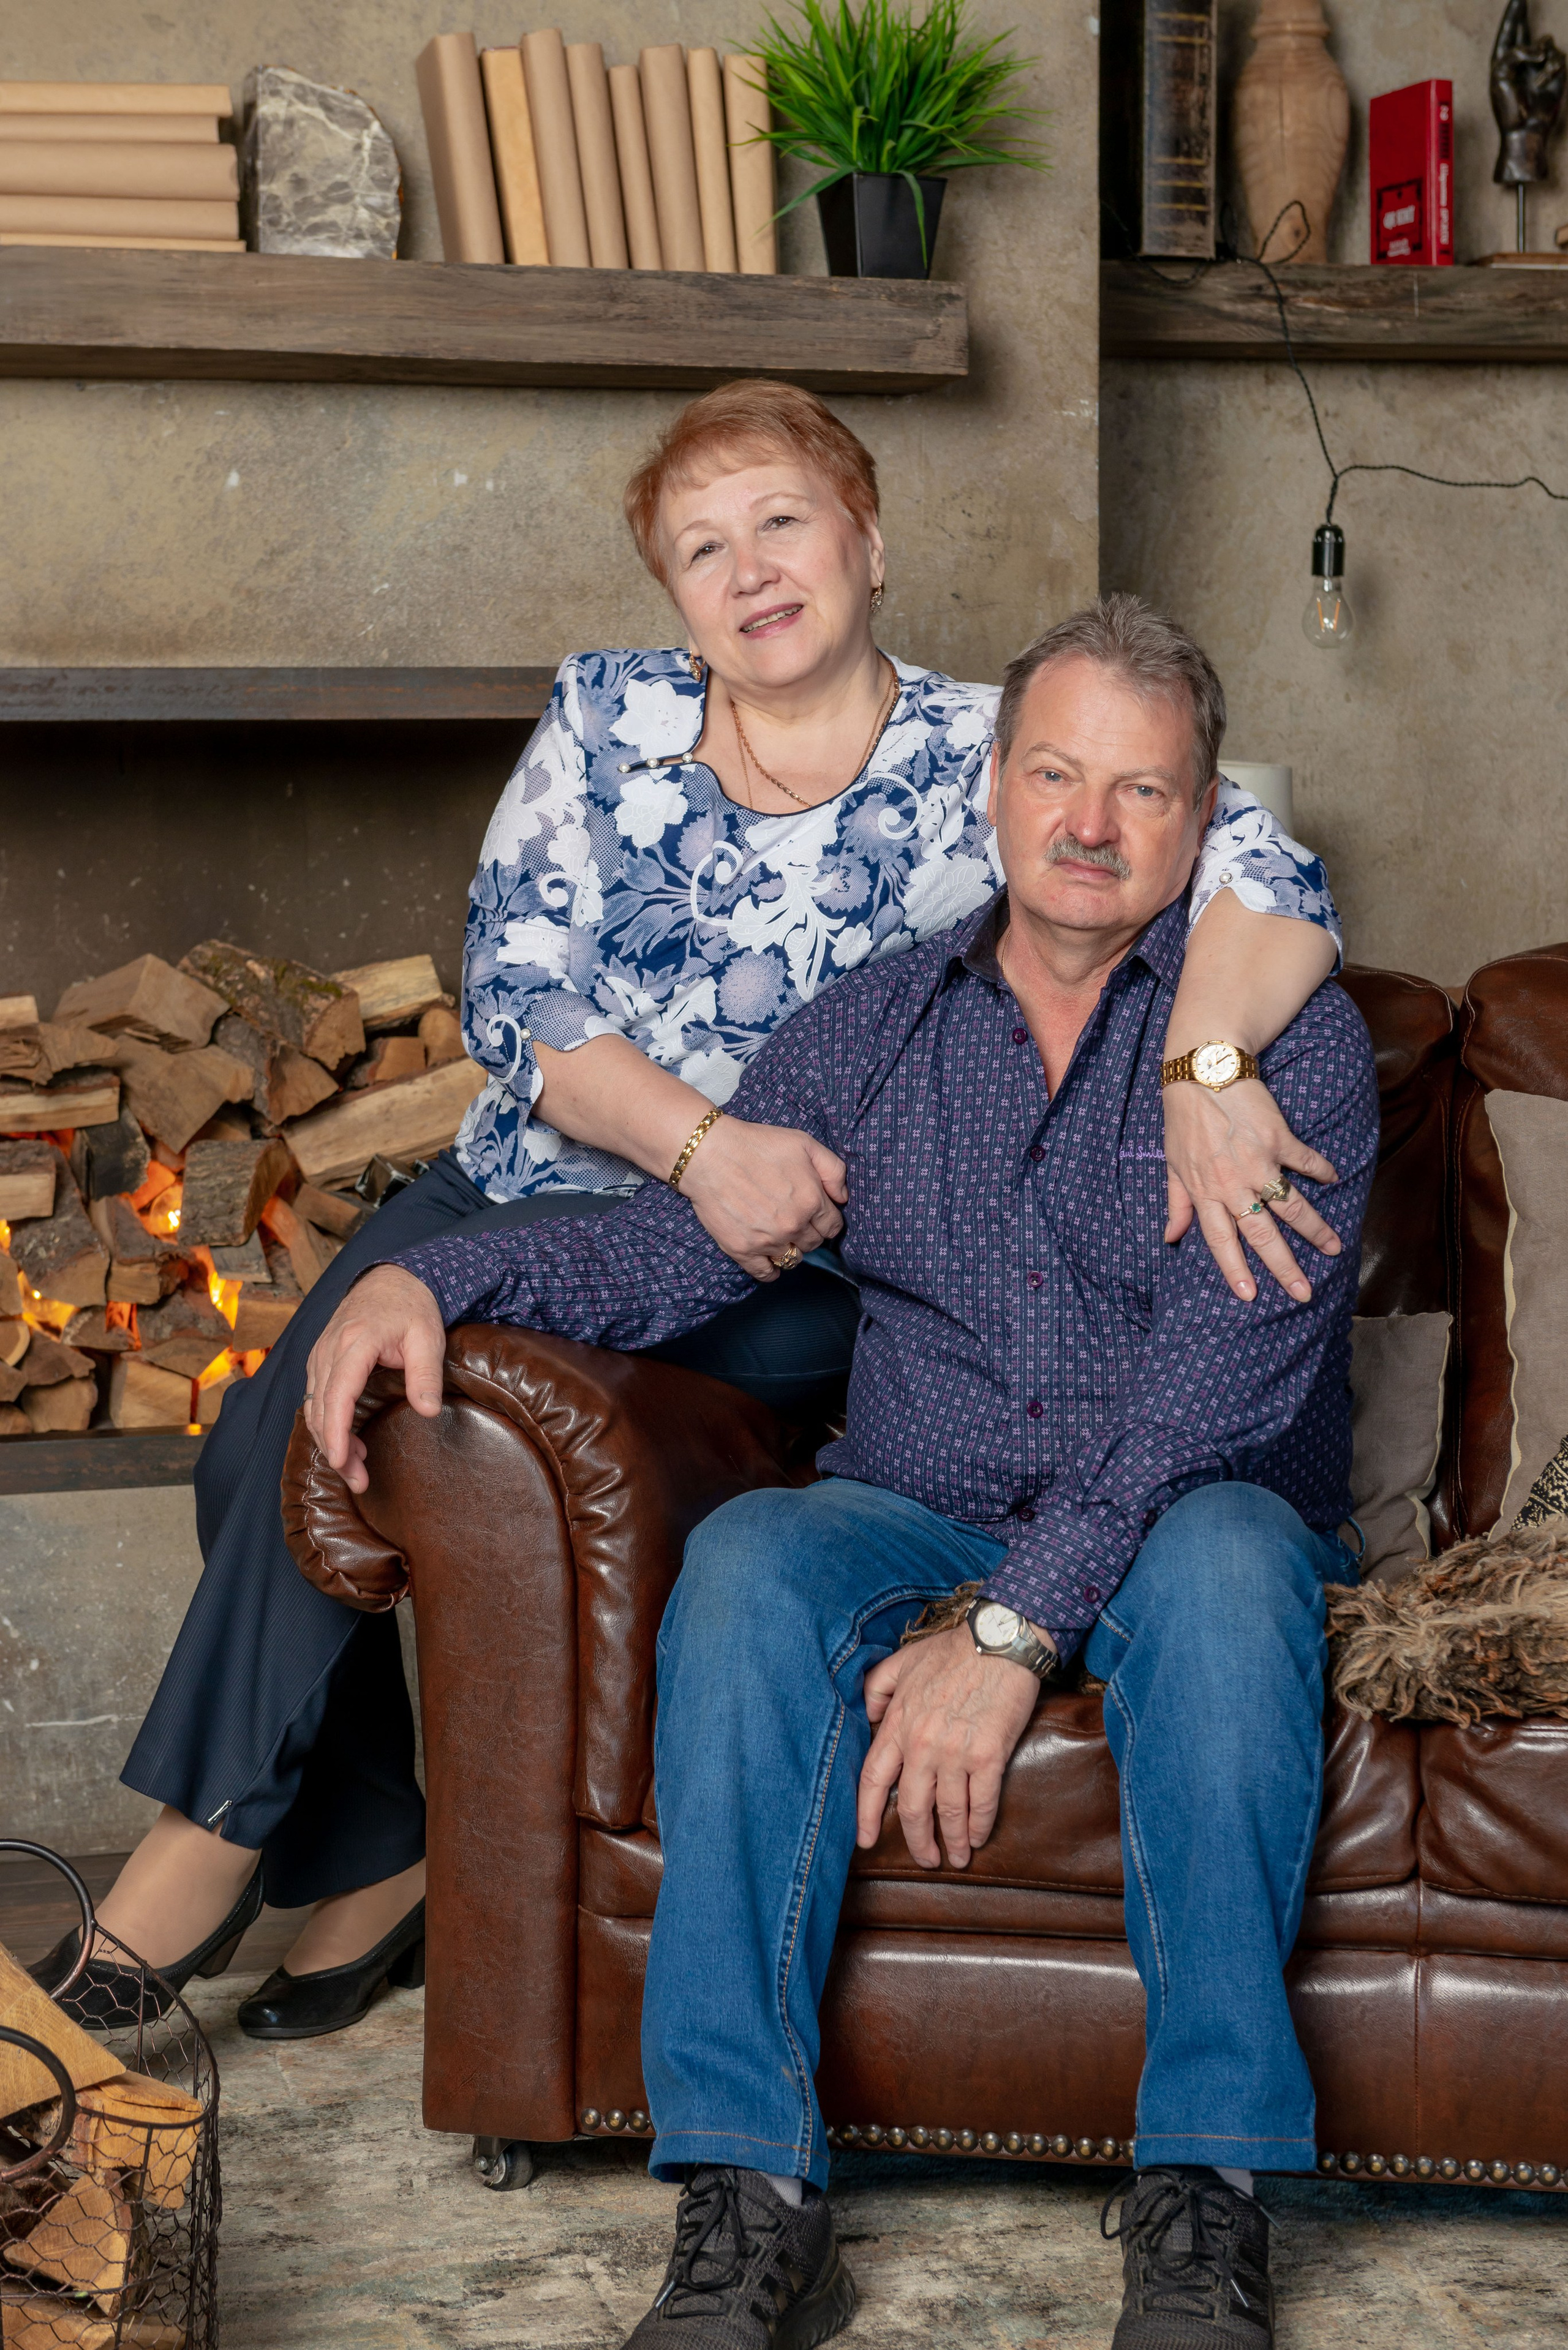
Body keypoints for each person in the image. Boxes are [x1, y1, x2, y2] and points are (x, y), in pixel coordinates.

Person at [40, 386, 1344, 2048]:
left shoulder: (1003, 749)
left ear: (870, 544)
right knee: (267, 1440)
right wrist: (701, 1141)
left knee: (387, 1420)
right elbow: (514, 991)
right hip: (541, 1184)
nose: (750, 569)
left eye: (782, 521)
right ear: (671, 591)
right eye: (701, 547)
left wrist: (1206, 1059)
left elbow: (1264, 873)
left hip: (782, 1248)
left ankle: (190, 1867)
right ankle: (374, 1854)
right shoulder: (608, 712)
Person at [308, 597, 1377, 2350]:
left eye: (1142, 790)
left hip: (1193, 1510)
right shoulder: (870, 1030)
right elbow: (676, 1254)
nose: (1090, 825)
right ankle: (750, 2198)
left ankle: (1208, 2192)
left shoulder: (1275, 1047)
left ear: (1203, 820)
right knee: (747, 1564)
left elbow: (1219, 1382)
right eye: (1056, 775)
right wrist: (432, 1278)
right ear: (993, 786)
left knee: (1230, 1567)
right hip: (915, 1499)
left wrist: (1012, 1632)